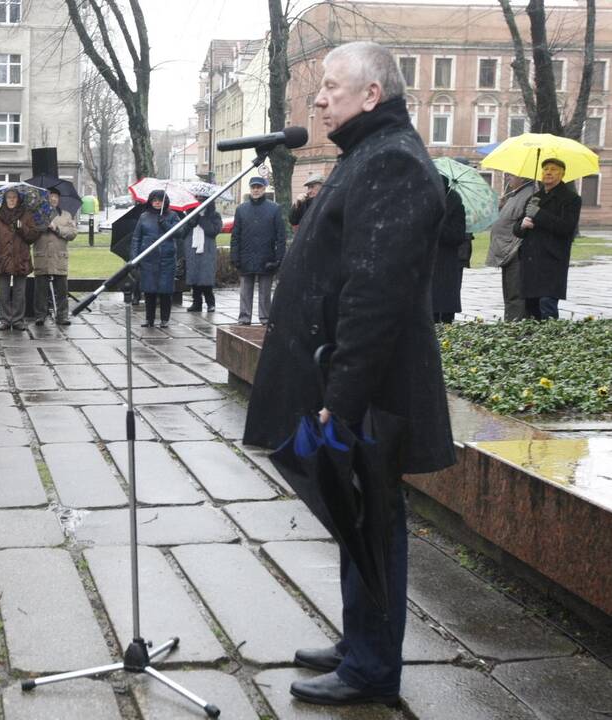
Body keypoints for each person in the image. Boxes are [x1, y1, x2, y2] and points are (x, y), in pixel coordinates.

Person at [244, 41, 454, 707]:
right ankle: (358, 639)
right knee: (351, 510)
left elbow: (374, 293)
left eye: (332, 87)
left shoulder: (389, 159)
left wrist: (341, 394)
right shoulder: (364, 153)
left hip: (370, 391)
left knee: (371, 521)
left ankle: (370, 667)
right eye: (320, 89)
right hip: (346, 380)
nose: (318, 98)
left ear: (372, 93)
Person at [513, 158, 582, 321]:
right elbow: (517, 230)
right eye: (545, 169)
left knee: (547, 305)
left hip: (552, 261)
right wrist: (522, 225)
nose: (548, 172)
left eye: (553, 169)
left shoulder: (571, 199)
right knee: (531, 308)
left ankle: (551, 340)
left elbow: (566, 228)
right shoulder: (534, 198)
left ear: (562, 173)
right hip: (530, 262)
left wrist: (539, 214)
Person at [230, 175, 286, 325]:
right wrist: (234, 256)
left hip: (267, 256)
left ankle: (265, 317)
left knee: (265, 292)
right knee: (245, 291)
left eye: (258, 187)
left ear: (264, 188)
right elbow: (235, 235)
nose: (256, 190)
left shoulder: (274, 209)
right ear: (250, 189)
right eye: (253, 187)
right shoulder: (241, 209)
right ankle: (244, 317)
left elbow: (281, 236)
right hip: (246, 256)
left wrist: (279, 258)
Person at [0, 187, 39, 331]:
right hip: (2, 260)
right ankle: (4, 319)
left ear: (19, 199)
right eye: (9, 197)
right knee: (2, 292)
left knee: (19, 292)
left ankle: (17, 320)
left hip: (20, 259)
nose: (11, 200)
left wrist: (22, 228)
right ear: (5, 199)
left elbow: (33, 237)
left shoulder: (26, 215)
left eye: (14, 197)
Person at [130, 189, 180, 328]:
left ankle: (165, 319)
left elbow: (179, 232)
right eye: (155, 200)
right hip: (148, 259)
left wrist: (165, 223)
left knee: (165, 291)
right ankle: (149, 319)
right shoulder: (144, 217)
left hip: (166, 259)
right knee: (149, 291)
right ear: (150, 201)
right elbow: (136, 238)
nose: (157, 203)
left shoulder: (172, 215)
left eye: (160, 200)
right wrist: (135, 258)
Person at [486, 174, 531, 321]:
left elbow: (522, 222)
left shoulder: (529, 195)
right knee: (509, 291)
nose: (508, 178)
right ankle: (510, 322)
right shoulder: (514, 195)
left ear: (523, 178)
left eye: (512, 175)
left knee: (515, 293)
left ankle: (515, 325)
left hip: (515, 250)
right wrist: (501, 207)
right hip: (506, 250)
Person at [32, 187, 78, 326]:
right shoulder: (38, 214)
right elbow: (30, 232)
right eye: (50, 196)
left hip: (59, 257)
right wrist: (42, 226)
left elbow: (72, 233)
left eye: (55, 196)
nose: (53, 199)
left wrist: (56, 228)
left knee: (62, 290)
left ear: (59, 199)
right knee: (40, 290)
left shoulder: (66, 215)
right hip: (42, 257)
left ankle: (62, 316)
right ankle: (40, 315)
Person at [430, 177, 467, 323]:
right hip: (427, 262)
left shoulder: (455, 204)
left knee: (444, 309)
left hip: (446, 262)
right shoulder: (427, 201)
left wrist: (438, 225)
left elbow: (457, 236)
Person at [184, 193, 222, 312]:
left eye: (202, 199)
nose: (199, 202)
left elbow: (213, 231)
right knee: (194, 277)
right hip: (192, 249)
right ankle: (197, 303)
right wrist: (194, 218)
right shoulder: (189, 214)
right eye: (197, 199)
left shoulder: (214, 215)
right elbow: (183, 231)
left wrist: (202, 218)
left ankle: (210, 303)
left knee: (206, 277)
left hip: (207, 250)